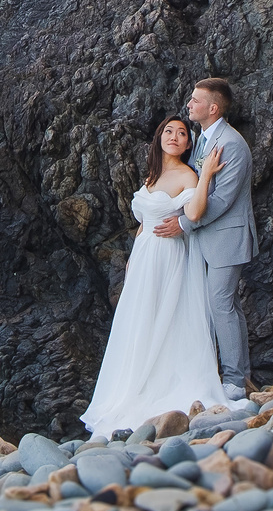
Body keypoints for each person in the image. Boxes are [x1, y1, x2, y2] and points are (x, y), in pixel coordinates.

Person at [79, 115, 229, 436]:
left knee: (167, 320)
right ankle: (133, 385)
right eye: (169, 131)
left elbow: (194, 213)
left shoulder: (187, 174)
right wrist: (133, 258)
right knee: (140, 323)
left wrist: (205, 177)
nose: (174, 136)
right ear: (160, 137)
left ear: (189, 144)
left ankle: (165, 393)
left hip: (168, 257)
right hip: (144, 258)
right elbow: (145, 223)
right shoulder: (152, 175)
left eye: (182, 133)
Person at [154, 77, 253, 397]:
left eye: (196, 100)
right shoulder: (200, 139)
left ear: (213, 108)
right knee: (224, 306)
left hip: (226, 238)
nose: (189, 104)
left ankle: (235, 381)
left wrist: (183, 224)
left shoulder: (232, 144)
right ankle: (238, 374)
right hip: (205, 240)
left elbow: (222, 200)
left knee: (220, 304)